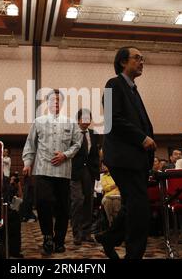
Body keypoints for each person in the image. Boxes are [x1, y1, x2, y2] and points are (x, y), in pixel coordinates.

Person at [96, 46, 156, 259]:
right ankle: (133, 255)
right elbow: (114, 119)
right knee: (140, 209)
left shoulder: (133, 89)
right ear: (123, 62)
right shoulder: (113, 84)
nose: (142, 62)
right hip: (123, 158)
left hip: (136, 158)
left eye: (143, 58)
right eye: (137, 58)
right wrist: (142, 138)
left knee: (132, 205)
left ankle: (110, 238)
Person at [22, 89, 82, 256]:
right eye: (52, 100)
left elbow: (77, 143)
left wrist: (65, 155)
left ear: (61, 103)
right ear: (46, 103)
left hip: (63, 172)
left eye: (58, 100)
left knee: (63, 208)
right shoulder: (38, 121)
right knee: (43, 202)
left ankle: (60, 240)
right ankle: (47, 236)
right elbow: (30, 144)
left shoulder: (70, 123)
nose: (55, 103)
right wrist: (27, 163)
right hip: (43, 170)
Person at [70, 109, 100, 246]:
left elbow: (96, 154)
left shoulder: (94, 134)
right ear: (78, 119)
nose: (86, 120)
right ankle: (77, 233)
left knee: (89, 201)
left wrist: (97, 168)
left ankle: (86, 232)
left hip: (89, 171)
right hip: (75, 171)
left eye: (89, 117)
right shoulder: (72, 132)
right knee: (78, 200)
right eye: (84, 117)